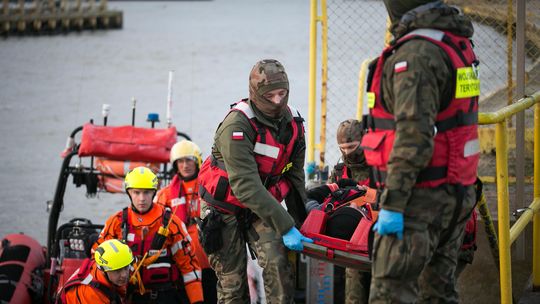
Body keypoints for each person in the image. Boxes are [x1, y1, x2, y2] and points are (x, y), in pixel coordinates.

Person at [363, 1, 480, 303]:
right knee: (439, 293)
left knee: (390, 293)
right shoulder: (455, 43)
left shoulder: (415, 55)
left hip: (420, 199)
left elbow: (414, 137)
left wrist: (393, 205)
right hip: (456, 193)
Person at [197, 59, 312, 303]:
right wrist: (286, 225)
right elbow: (245, 186)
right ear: (256, 94)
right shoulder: (236, 125)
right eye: (271, 95)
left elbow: (295, 177)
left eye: (283, 93)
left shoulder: (294, 126)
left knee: (278, 264)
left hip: (261, 208)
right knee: (232, 284)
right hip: (223, 208)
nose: (278, 101)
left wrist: (302, 223)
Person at [93, 166, 204, 304]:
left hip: (166, 296)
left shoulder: (171, 223)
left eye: (146, 192)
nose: (142, 198)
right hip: (130, 296)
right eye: (136, 192)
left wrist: (197, 300)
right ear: (129, 193)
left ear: (154, 193)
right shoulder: (116, 222)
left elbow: (189, 266)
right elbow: (98, 260)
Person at [306, 119, 372, 304]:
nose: (347, 152)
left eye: (351, 146)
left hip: (378, 234)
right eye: (342, 148)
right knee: (353, 287)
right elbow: (330, 195)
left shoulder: (379, 167)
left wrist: (363, 196)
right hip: (351, 239)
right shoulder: (340, 171)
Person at [155, 140, 218, 303]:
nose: (185, 165)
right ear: (175, 165)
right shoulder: (165, 194)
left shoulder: (209, 187)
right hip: (183, 264)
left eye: (189, 160)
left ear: (197, 161)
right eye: (180, 161)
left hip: (210, 262)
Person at [57, 239, 133, 304]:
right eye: (117, 270)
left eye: (126, 267)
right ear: (103, 270)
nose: (124, 274)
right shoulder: (91, 295)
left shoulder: (100, 265)